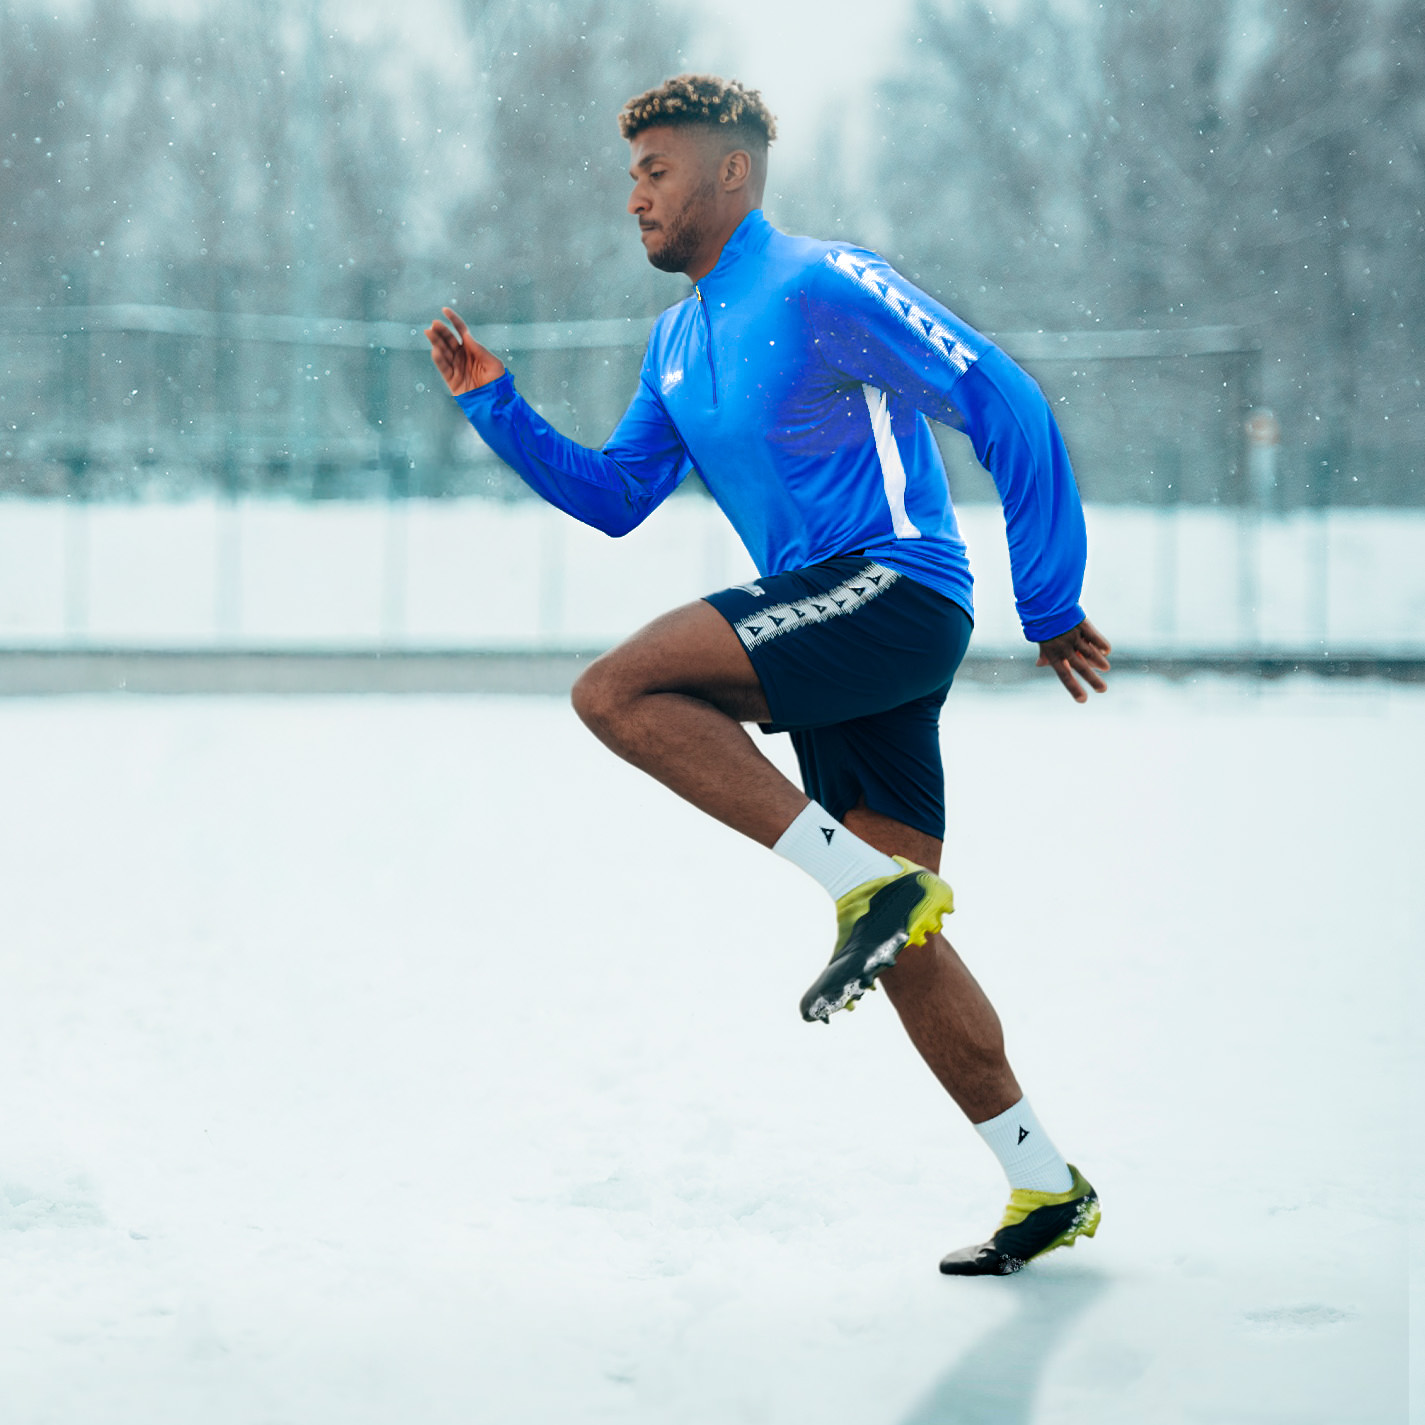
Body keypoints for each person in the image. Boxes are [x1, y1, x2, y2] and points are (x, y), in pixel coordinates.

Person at [425, 74, 1112, 1276]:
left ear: (730, 171)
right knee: (909, 943)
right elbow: (618, 498)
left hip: (894, 588)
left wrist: (1048, 596)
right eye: (631, 174)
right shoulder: (677, 341)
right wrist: (499, 407)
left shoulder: (818, 283)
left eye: (656, 171)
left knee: (616, 692)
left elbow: (998, 396)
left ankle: (864, 887)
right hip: (828, 628)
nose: (634, 196)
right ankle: (1044, 1182)